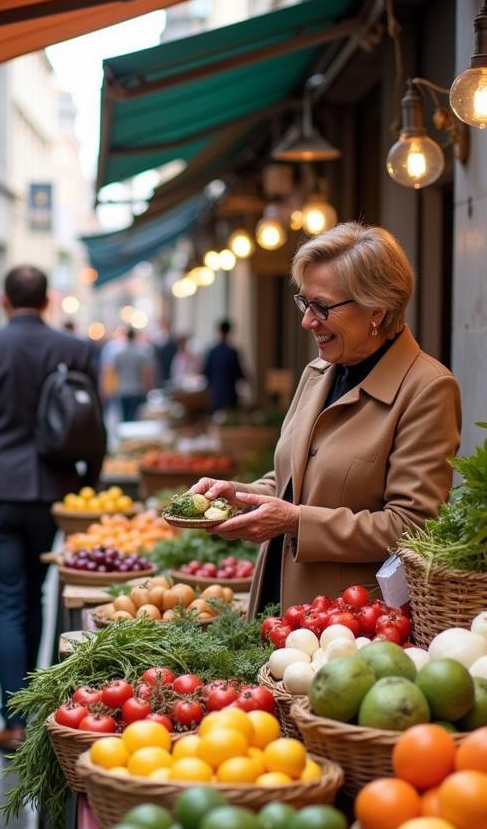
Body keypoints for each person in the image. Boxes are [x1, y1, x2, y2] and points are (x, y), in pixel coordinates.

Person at [192, 222, 461, 612]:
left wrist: (296, 521)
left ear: (376, 309)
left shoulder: (427, 388)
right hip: (280, 605)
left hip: (350, 624)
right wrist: (240, 497)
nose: (307, 321)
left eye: (322, 307)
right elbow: (289, 482)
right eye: (304, 304)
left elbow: (412, 526)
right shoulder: (318, 372)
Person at [0, 266, 102, 753]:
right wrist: (86, 488)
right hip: (54, 488)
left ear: (4, 300)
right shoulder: (76, 349)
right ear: (49, 300)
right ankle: (35, 705)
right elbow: (93, 426)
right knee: (33, 595)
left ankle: (14, 720)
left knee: (9, 601)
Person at [111, 327, 156, 421]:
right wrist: (149, 388)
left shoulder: (118, 354)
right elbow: (146, 373)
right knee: (134, 419)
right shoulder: (140, 354)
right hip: (137, 389)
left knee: (124, 417)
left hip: (122, 389)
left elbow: (113, 372)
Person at [203, 319, 246, 412]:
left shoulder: (212, 352)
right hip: (230, 395)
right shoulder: (232, 352)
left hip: (216, 396)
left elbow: (206, 372)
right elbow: (238, 373)